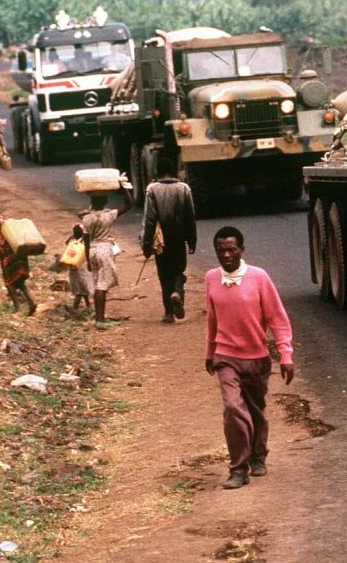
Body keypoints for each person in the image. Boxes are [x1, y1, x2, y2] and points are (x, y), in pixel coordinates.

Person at [204, 226, 294, 490]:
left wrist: (286, 354)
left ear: (242, 250)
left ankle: (258, 455)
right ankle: (238, 468)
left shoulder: (259, 277)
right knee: (233, 408)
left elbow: (277, 319)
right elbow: (212, 319)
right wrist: (210, 352)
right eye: (221, 250)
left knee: (255, 409)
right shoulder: (211, 278)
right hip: (225, 356)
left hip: (256, 357)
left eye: (231, 249)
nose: (226, 255)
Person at [141, 158, 197, 324]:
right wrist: (192, 240)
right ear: (173, 171)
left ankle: (168, 313)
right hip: (179, 237)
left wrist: (146, 243)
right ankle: (178, 292)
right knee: (179, 269)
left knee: (164, 274)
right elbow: (190, 217)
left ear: (157, 171)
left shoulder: (152, 189)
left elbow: (149, 219)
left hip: (161, 240)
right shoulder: (184, 188)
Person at [81, 184, 134, 328]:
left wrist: (87, 258)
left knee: (98, 282)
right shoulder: (109, 215)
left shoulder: (86, 218)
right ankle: (100, 319)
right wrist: (124, 188)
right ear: (105, 201)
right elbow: (129, 204)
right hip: (105, 249)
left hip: (92, 249)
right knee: (102, 286)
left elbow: (85, 239)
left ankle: (99, 317)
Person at [0, 201, 37, 315]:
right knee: (20, 280)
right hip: (20, 251)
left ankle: (17, 309)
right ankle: (31, 302)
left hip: (8, 255)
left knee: (9, 282)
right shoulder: (3, 219)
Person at [66, 224, 94, 314]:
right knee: (81, 290)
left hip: (73, 268)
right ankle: (75, 308)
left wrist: (72, 236)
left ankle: (87, 304)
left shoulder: (72, 242)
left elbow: (66, 243)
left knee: (81, 289)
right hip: (83, 269)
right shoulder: (84, 242)